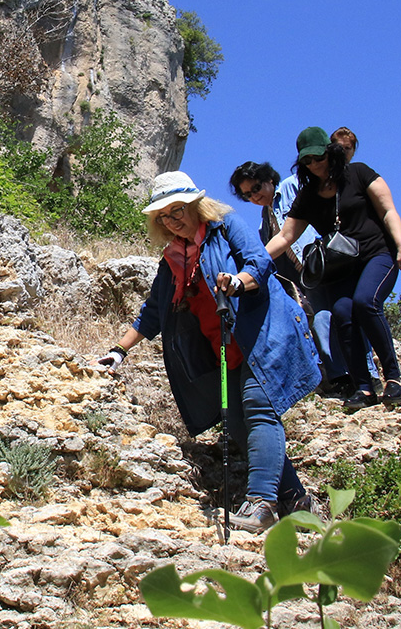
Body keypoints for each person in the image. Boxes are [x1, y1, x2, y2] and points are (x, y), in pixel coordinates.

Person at [97, 172, 320, 533]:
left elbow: (258, 262)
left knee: (258, 407)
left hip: (261, 332)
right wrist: (118, 351)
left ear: (196, 205)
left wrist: (236, 283)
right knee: (235, 422)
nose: (173, 220)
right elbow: (152, 312)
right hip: (224, 349)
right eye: (164, 216)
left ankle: (261, 504)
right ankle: (297, 501)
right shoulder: (172, 260)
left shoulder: (225, 225)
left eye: (178, 209)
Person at [266, 127, 401, 411]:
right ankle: (363, 387)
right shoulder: (309, 194)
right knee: (341, 313)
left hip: (379, 255)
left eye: (318, 157)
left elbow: (388, 210)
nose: (314, 165)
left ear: (331, 151)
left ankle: (393, 377)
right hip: (343, 266)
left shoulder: (359, 173)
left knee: (366, 302)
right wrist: (256, 262)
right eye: (307, 161)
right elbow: (286, 236)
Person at [227, 161, 369, 395]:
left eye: (256, 187)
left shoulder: (293, 187)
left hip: (328, 262)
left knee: (346, 315)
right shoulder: (265, 220)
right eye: (247, 194)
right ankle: (341, 379)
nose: (254, 196)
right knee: (322, 320)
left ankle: (368, 376)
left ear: (270, 180)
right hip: (308, 278)